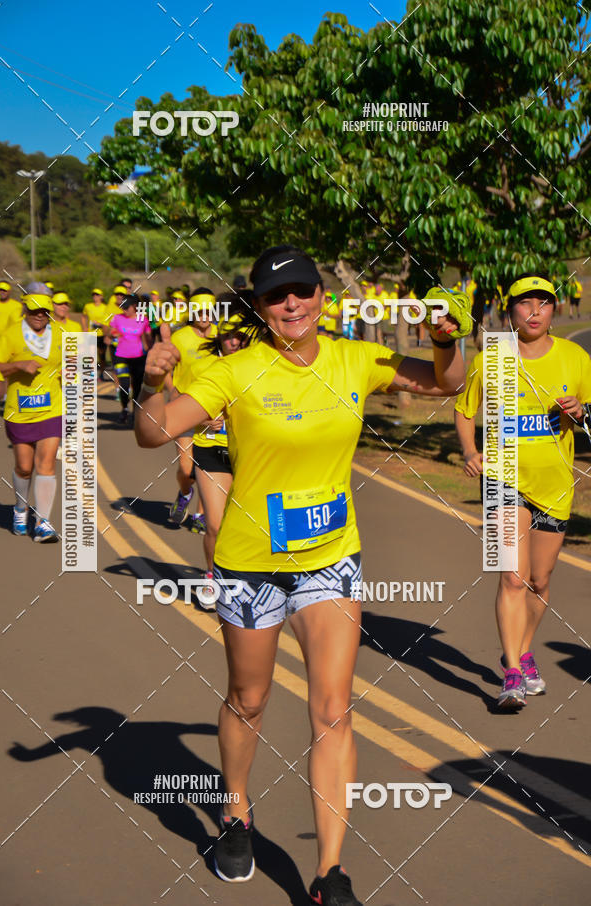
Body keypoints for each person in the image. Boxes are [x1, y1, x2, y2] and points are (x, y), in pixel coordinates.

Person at [135, 245, 467, 906]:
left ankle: (329, 874)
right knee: (249, 699)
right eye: (276, 296)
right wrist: (150, 384)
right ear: (260, 307)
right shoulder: (236, 370)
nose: (292, 304)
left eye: (303, 290)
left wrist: (444, 339)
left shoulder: (354, 357)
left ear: (321, 295)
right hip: (251, 565)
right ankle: (235, 810)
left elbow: (446, 383)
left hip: (330, 558)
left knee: (333, 710)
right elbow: (153, 433)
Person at [455, 273, 591, 710]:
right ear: (509, 310)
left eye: (544, 303)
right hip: (503, 478)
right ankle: (512, 673)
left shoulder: (574, 357)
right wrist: (470, 451)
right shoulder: (491, 357)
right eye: (525, 303)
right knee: (512, 577)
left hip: (555, 484)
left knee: (539, 581)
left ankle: (522, 650)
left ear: (554, 309)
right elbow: (465, 409)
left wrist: (580, 411)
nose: (535, 311)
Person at [173, 309, 248, 602]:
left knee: (247, 526)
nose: (234, 342)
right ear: (219, 338)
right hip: (211, 450)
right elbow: (182, 404)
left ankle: (248, 577)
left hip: (250, 454)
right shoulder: (204, 367)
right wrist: (203, 419)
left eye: (239, 337)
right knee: (215, 524)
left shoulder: (259, 368)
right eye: (228, 336)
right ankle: (211, 576)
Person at [0, 287, 64, 541]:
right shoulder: (11, 334)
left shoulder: (61, 334)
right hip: (19, 410)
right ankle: (20, 510)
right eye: (34, 311)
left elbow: (77, 363)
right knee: (24, 468)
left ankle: (43, 522)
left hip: (52, 409)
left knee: (46, 464)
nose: (39, 315)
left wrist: (72, 372)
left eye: (44, 311)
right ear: (25, 310)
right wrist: (18, 365)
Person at [165, 288, 217, 530]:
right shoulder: (180, 337)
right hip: (185, 409)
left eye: (208, 311)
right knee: (186, 469)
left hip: (213, 412)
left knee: (207, 468)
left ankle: (200, 516)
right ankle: (185, 493)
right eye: (200, 311)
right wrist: (172, 391)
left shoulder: (222, 336)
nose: (204, 315)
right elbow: (166, 369)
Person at [110, 294, 151, 425]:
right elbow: (111, 332)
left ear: (134, 306)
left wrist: (149, 351)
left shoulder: (143, 319)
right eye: (123, 307)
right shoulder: (117, 318)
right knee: (124, 385)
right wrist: (113, 335)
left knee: (137, 386)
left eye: (127, 307)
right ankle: (124, 409)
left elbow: (147, 338)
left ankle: (135, 412)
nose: (124, 310)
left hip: (138, 357)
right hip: (121, 356)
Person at [82, 289, 109, 375]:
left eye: (97, 295)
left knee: (102, 355)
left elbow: (108, 320)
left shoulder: (106, 307)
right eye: (93, 295)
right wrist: (84, 327)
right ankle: (92, 374)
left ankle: (101, 374)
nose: (95, 297)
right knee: (91, 353)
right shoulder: (88, 306)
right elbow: (83, 316)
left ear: (101, 296)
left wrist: (100, 324)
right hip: (91, 334)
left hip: (102, 334)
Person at [0, 281, 22, 352]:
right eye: (0, 290)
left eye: (4, 290)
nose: (2, 292)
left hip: (10, 344)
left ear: (9, 291)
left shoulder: (17, 306)